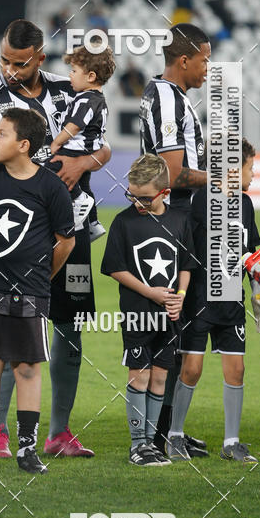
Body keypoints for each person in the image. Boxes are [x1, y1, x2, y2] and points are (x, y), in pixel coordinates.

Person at [0, 19, 108, 459]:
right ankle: (0, 433)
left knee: (70, 326)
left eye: (20, 64)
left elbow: (102, 148)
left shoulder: (72, 90)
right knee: (9, 334)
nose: (10, 70)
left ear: (40, 58)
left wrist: (82, 165)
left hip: (70, 228)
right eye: (4, 60)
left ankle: (59, 433)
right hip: (14, 239)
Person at [0, 108, 75, 474]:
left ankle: (27, 450)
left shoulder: (51, 187)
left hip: (30, 292)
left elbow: (66, 240)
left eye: (2, 134)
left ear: (24, 144)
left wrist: (41, 278)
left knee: (27, 368)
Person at [167, 139, 260, 462]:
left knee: (237, 370)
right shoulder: (200, 202)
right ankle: (174, 436)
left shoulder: (246, 205)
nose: (253, 174)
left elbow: (250, 253)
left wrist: (259, 299)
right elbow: (187, 250)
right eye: (250, 167)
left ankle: (231, 443)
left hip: (232, 303)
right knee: (191, 369)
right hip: (200, 300)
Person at [139, 23, 210, 457]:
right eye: (204, 60)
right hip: (177, 220)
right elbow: (171, 172)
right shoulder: (167, 98)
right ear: (184, 60)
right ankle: (159, 434)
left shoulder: (170, 96)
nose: (207, 68)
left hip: (178, 219)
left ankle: (166, 431)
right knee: (173, 326)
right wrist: (217, 176)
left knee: (176, 326)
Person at [101, 154, 197, 467]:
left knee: (160, 377)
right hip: (137, 313)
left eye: (144, 198)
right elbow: (115, 268)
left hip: (169, 316)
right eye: (131, 195)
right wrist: (151, 293)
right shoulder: (123, 222)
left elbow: (186, 264)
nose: (136, 203)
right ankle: (137, 445)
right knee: (139, 376)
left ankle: (152, 443)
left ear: (164, 193)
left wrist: (180, 296)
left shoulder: (179, 220)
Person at [49, 43, 116, 242]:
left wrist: (56, 142)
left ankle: (78, 201)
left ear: (91, 76)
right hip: (89, 150)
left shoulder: (85, 100)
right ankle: (92, 223)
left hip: (75, 149)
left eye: (74, 71)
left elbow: (75, 125)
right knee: (84, 184)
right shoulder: (98, 99)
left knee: (51, 170)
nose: (70, 75)